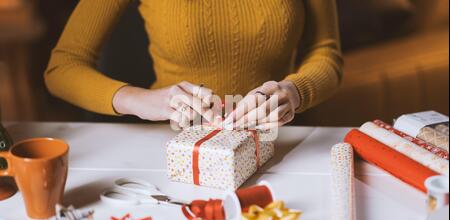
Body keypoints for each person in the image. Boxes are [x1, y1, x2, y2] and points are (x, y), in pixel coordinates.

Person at [45, 0, 343, 129]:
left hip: (276, 144)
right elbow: (63, 68)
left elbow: (324, 52)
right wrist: (139, 99)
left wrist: (294, 91)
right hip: (173, 151)